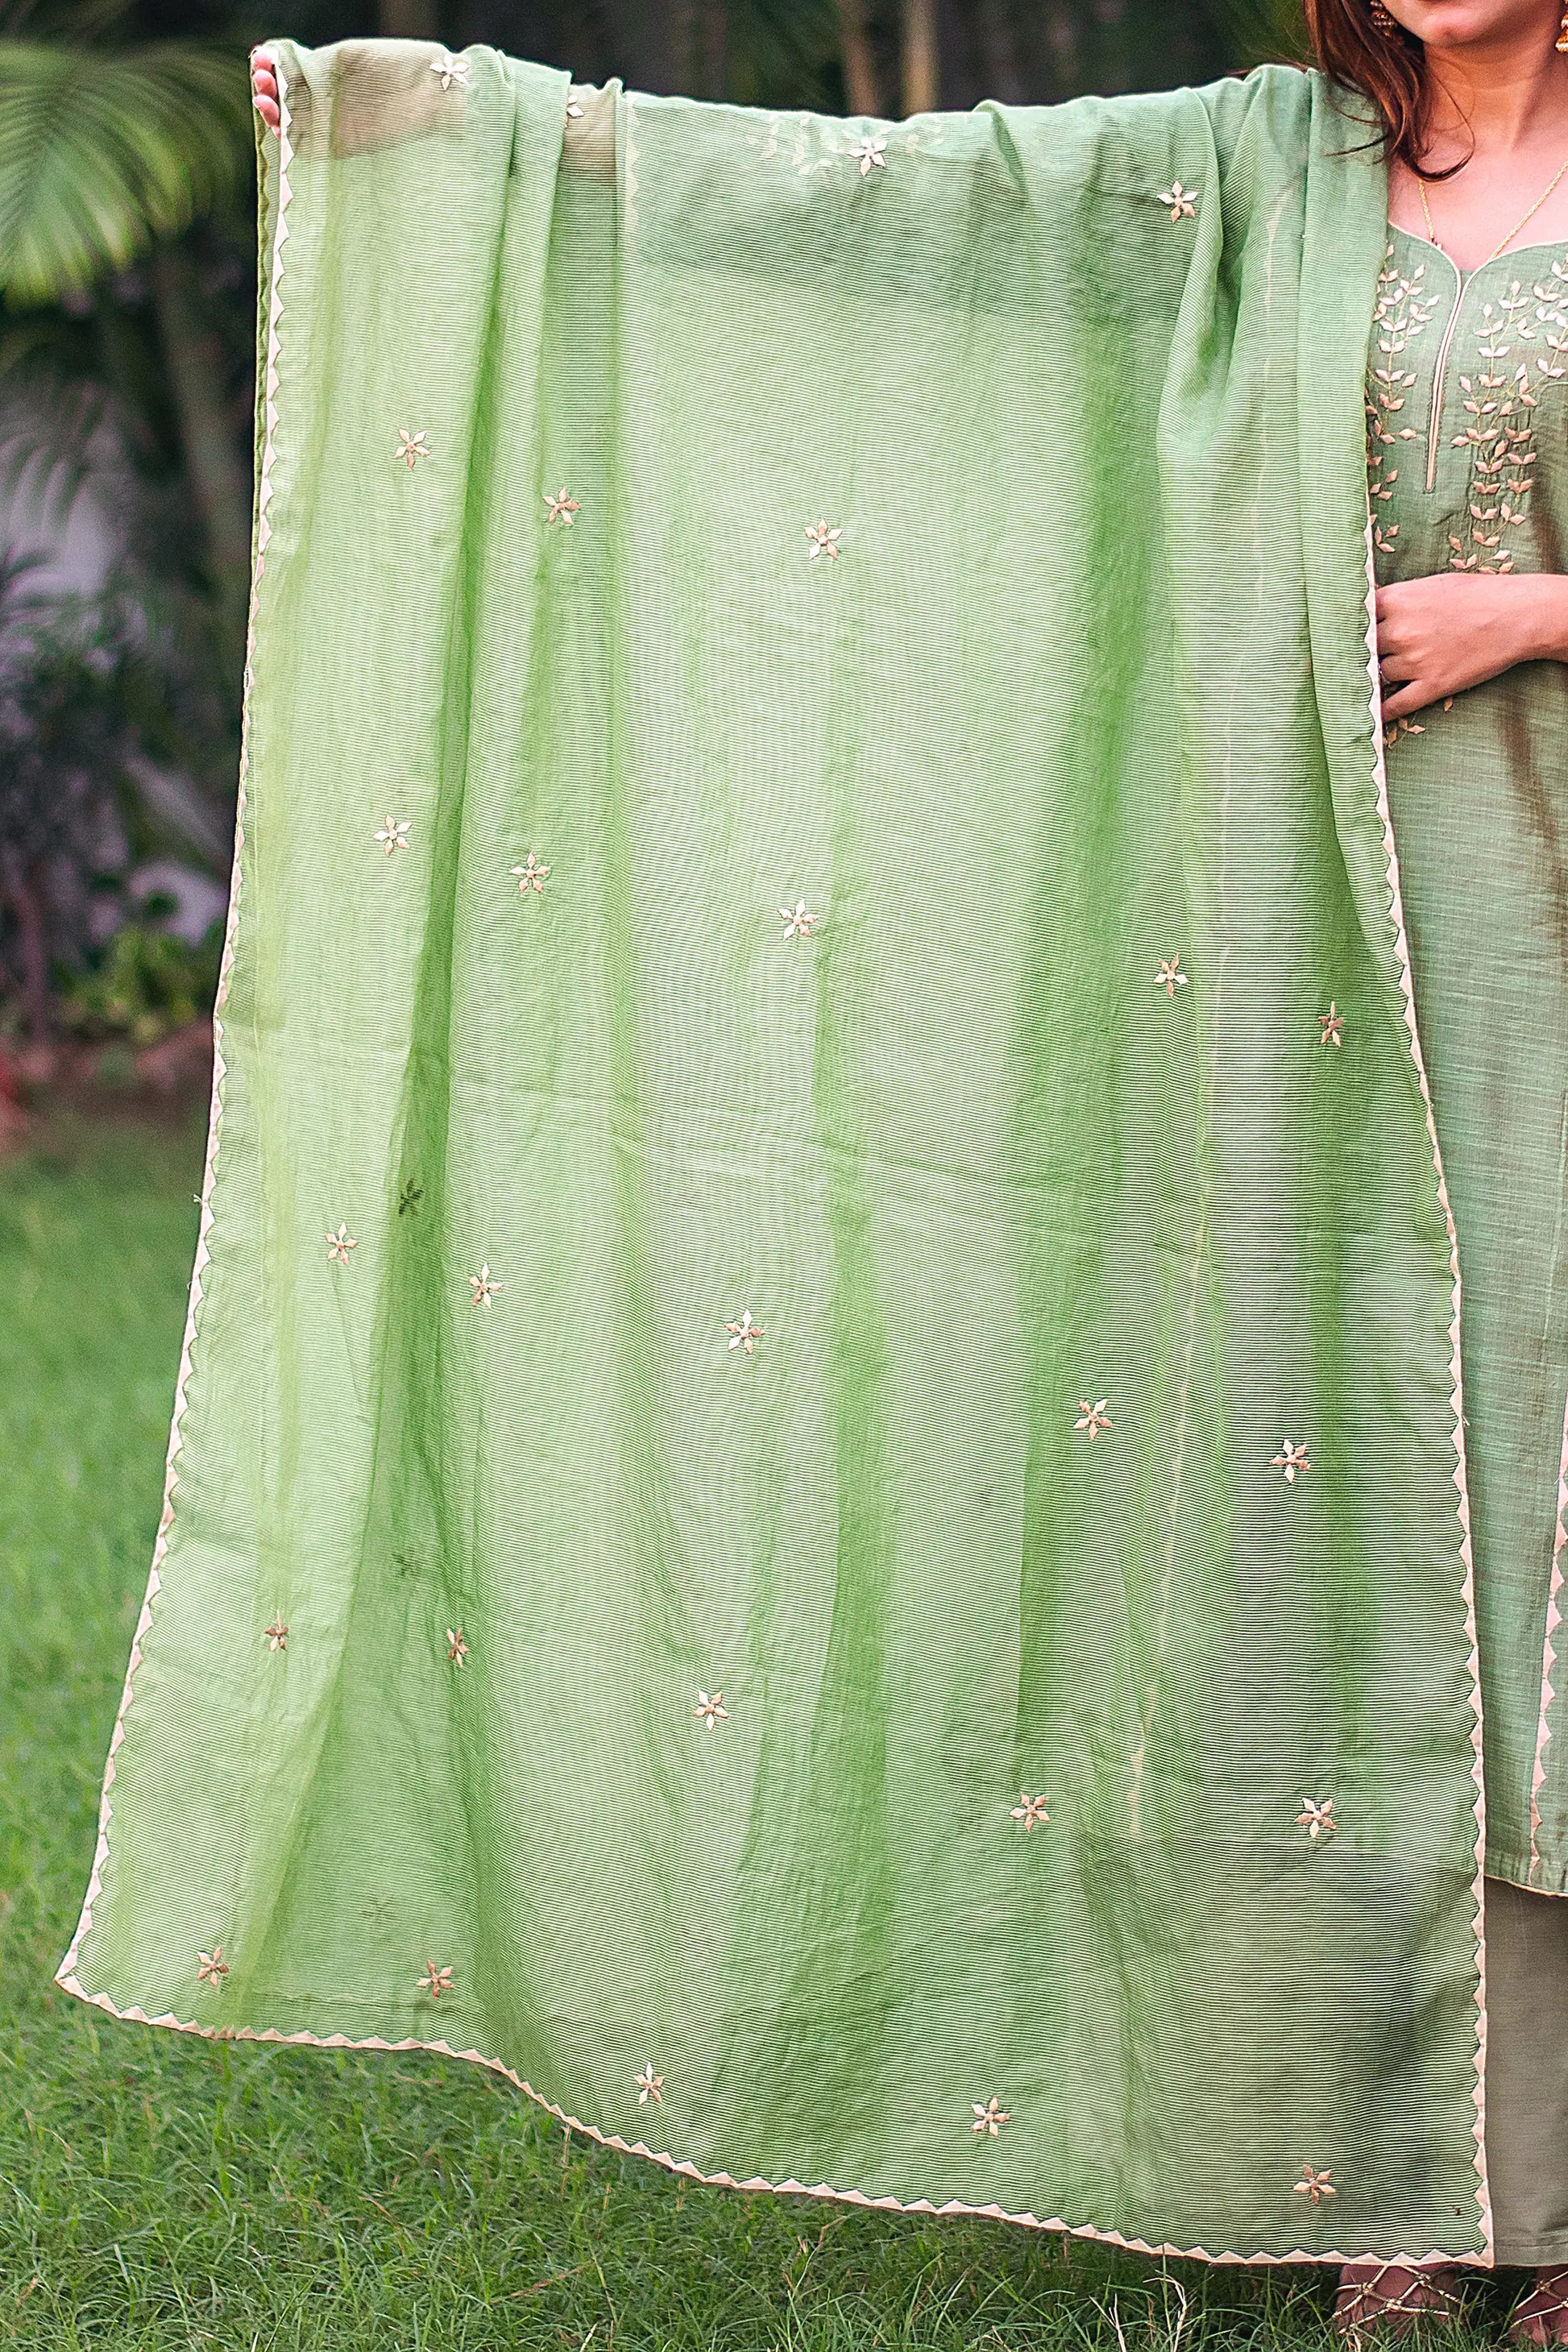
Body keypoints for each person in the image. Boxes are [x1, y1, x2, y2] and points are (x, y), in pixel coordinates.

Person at [243, 7, 1568, 2326]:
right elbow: (886, 209)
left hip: (1548, 917)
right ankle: (1383, 2178)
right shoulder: (1255, 169)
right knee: (1328, 1508)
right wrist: (466, 130)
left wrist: (1534, 608)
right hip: (1298, 955)